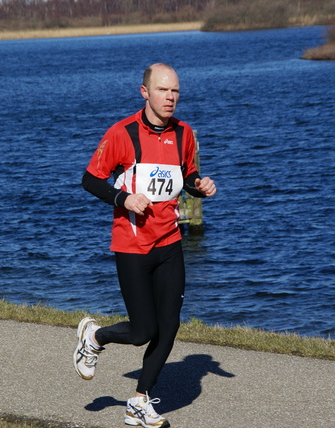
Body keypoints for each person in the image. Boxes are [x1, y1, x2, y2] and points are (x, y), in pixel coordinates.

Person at [75, 63, 216, 428]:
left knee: (168, 327)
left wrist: (198, 183)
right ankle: (94, 337)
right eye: (163, 90)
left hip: (169, 242)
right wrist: (123, 199)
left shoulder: (184, 134)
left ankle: (139, 401)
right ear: (145, 92)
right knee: (143, 332)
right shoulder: (122, 134)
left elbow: (184, 175)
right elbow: (90, 180)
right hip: (132, 246)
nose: (170, 98)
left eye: (175, 92)